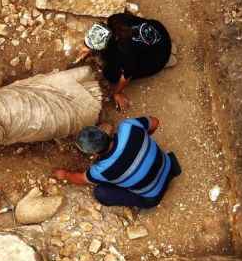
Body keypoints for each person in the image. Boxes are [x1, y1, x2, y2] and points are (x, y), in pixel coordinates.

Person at [52, 116, 181, 208]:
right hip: (169, 166)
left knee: (101, 193)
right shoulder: (129, 126)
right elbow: (155, 122)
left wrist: (64, 175)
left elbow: (80, 179)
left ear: (93, 154)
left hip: (153, 195)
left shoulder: (101, 170)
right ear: (103, 132)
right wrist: (143, 138)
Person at [75, 13, 172, 112]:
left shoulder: (126, 53)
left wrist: (117, 93)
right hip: (160, 31)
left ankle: (154, 56)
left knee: (110, 75)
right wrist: (89, 47)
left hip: (160, 57)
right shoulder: (116, 19)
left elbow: (126, 77)